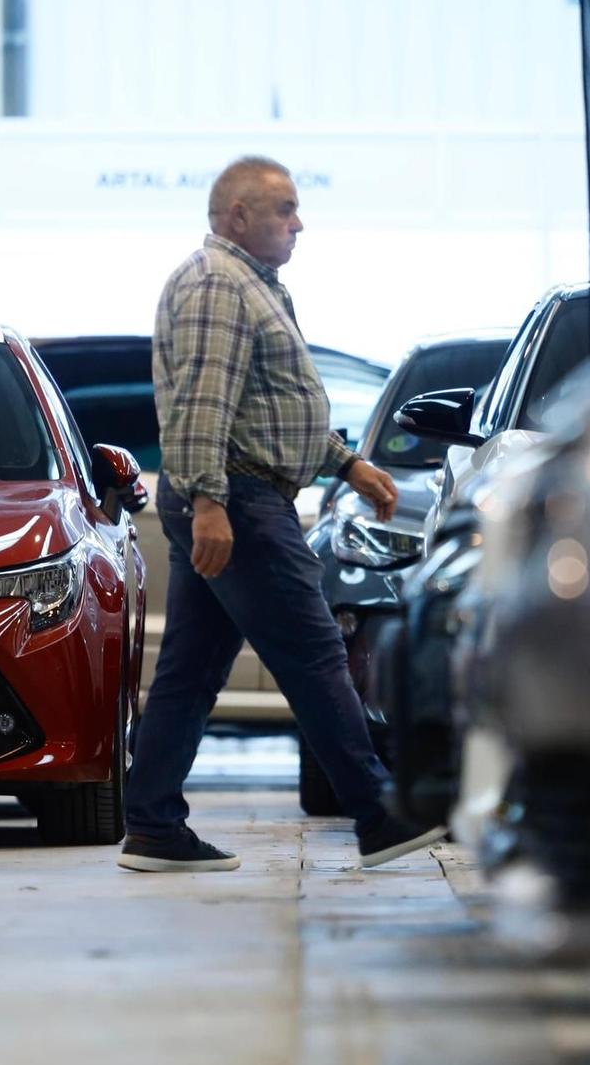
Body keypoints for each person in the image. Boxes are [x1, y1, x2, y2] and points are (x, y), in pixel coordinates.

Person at [118, 156, 448, 873]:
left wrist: (346, 461)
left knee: (191, 667)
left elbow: (269, 405)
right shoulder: (217, 284)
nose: (299, 223)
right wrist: (210, 499)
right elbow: (207, 404)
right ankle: (378, 811)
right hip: (238, 495)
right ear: (238, 215)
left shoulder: (254, 286)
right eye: (284, 209)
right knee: (315, 651)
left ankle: (151, 821)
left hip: (238, 489)